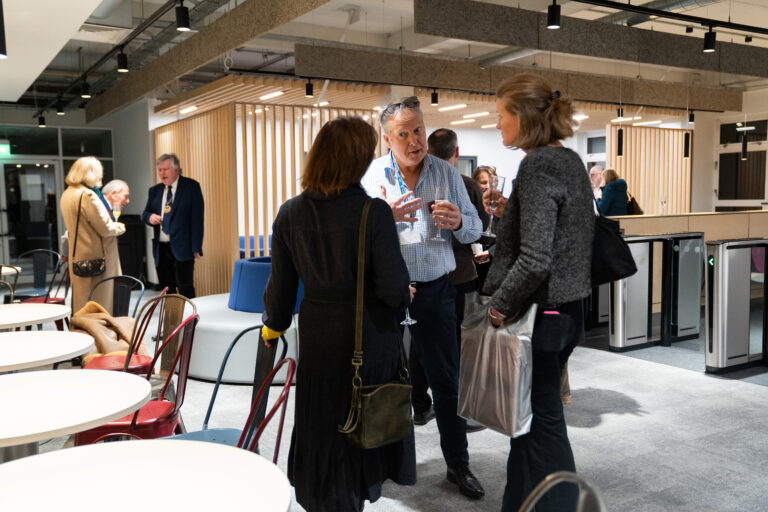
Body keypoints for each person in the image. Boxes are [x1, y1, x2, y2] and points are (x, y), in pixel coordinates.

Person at [260, 117, 416, 512]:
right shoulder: (373, 212)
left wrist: (273, 327)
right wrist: (404, 295)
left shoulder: (290, 212)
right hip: (367, 336)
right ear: (356, 161)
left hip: (316, 335)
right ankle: (352, 495)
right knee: (363, 414)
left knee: (321, 419)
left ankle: (323, 494)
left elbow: (279, 294)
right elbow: (394, 290)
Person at [361, 97, 485, 500]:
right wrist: (385, 217)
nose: (415, 141)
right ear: (387, 138)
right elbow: (357, 236)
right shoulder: (372, 176)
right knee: (384, 382)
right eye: (404, 134)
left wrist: (460, 222)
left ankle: (458, 466)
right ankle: (381, 466)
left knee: (447, 383)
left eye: (419, 131)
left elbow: (475, 230)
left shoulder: (446, 174)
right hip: (388, 294)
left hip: (435, 290)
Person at [483, 73, 594, 511]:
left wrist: (497, 308)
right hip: (565, 313)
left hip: (540, 318)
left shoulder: (537, 165)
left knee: (543, 425)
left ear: (523, 117)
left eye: (501, 116)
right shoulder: (566, 160)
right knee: (526, 422)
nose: (498, 125)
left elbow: (535, 259)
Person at [421, 128, 489, 433]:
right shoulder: (466, 184)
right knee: (459, 344)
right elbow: (481, 226)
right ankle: (459, 409)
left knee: (423, 343)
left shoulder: (419, 183)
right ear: (456, 152)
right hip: (460, 273)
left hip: (427, 274)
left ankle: (420, 404)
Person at [60, 157, 125, 313]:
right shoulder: (87, 196)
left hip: (79, 258)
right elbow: (105, 228)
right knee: (98, 305)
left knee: (81, 304)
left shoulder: (67, 194)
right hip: (96, 260)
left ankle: (82, 334)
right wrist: (120, 226)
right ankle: (96, 336)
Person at [142, 154, 204, 298]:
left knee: (185, 287)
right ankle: (170, 319)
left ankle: (189, 319)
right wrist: (149, 217)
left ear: (176, 170)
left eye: (166, 169)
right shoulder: (155, 191)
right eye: (160, 170)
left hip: (183, 247)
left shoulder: (191, 187)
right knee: (166, 290)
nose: (162, 173)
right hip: (161, 248)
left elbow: (197, 219)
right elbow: (145, 213)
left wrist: (196, 247)